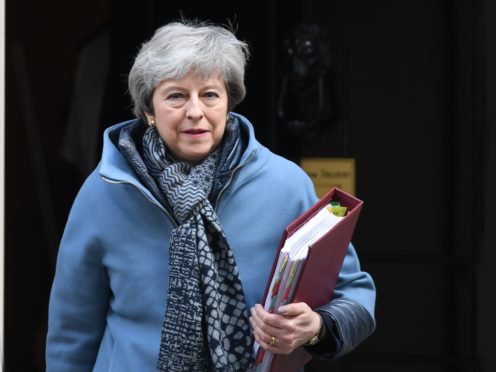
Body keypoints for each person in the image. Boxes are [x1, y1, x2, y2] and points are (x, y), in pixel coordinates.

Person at [45, 19, 376, 372]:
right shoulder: (105, 191)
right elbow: (72, 331)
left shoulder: (285, 184)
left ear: (228, 102)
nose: (195, 111)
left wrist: (315, 327)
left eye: (209, 94)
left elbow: (354, 296)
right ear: (148, 111)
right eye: (175, 95)